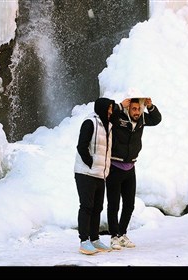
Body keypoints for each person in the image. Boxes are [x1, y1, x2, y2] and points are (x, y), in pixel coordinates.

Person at [107, 96, 162, 250]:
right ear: (128, 109)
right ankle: (113, 237)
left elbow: (157, 119)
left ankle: (122, 234)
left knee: (129, 204)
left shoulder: (142, 119)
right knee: (114, 204)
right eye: (134, 109)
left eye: (139, 109)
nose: (137, 112)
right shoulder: (119, 118)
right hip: (114, 167)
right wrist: (119, 106)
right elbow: (107, 116)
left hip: (130, 167)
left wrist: (150, 106)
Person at [74, 97, 115, 255]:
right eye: (109, 108)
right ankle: (84, 241)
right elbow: (81, 146)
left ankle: (95, 239)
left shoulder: (108, 125)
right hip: (85, 173)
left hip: (100, 174)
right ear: (102, 108)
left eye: (112, 108)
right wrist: (90, 163)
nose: (111, 112)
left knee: (97, 207)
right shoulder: (90, 122)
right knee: (86, 206)